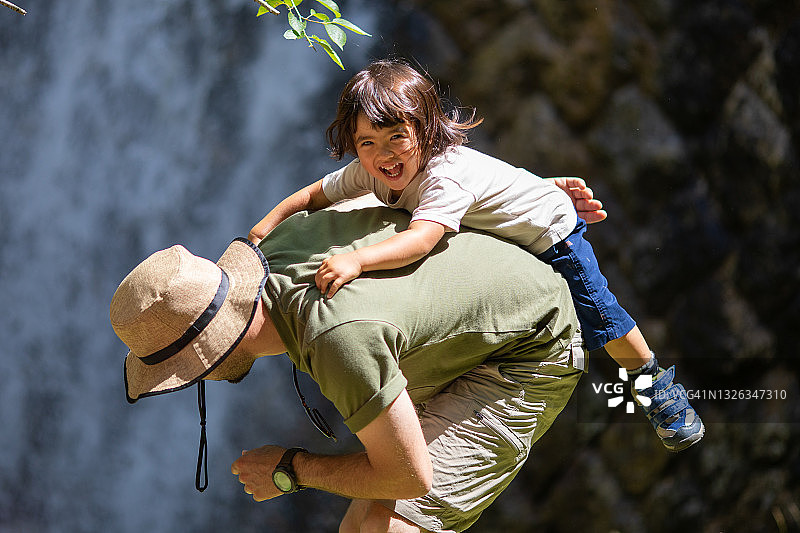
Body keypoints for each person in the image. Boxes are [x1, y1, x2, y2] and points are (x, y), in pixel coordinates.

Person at [248, 59, 703, 452]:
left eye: (396, 138)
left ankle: (654, 382)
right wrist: (263, 229)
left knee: (599, 316)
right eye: (367, 143)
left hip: (549, 231)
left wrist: (358, 261)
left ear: (425, 130)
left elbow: (422, 240)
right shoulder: (373, 171)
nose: (383, 155)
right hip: (504, 216)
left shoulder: (444, 178)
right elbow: (313, 195)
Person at [111, 199, 596, 532]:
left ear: (205, 358)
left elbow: (411, 477)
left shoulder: (335, 339)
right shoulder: (285, 239)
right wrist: (534, 196)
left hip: (531, 348)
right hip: (475, 321)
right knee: (358, 526)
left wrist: (291, 470)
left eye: (181, 376)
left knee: (393, 525)